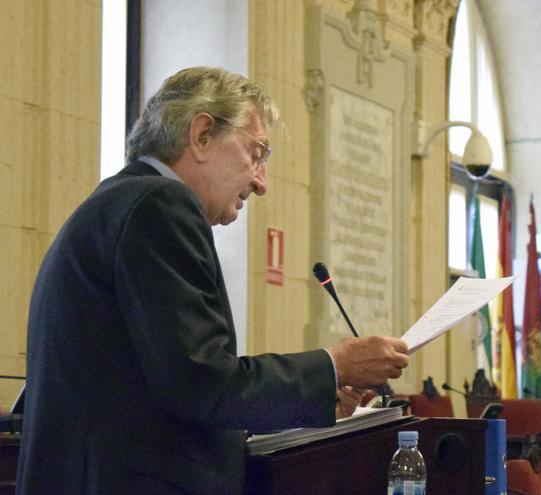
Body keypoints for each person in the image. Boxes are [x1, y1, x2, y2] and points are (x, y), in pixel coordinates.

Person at [17, 67, 410, 494]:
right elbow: (202, 385)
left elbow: (165, 391)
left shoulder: (120, 203)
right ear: (202, 134)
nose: (261, 182)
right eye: (256, 153)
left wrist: (315, 394)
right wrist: (335, 364)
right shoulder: (159, 204)